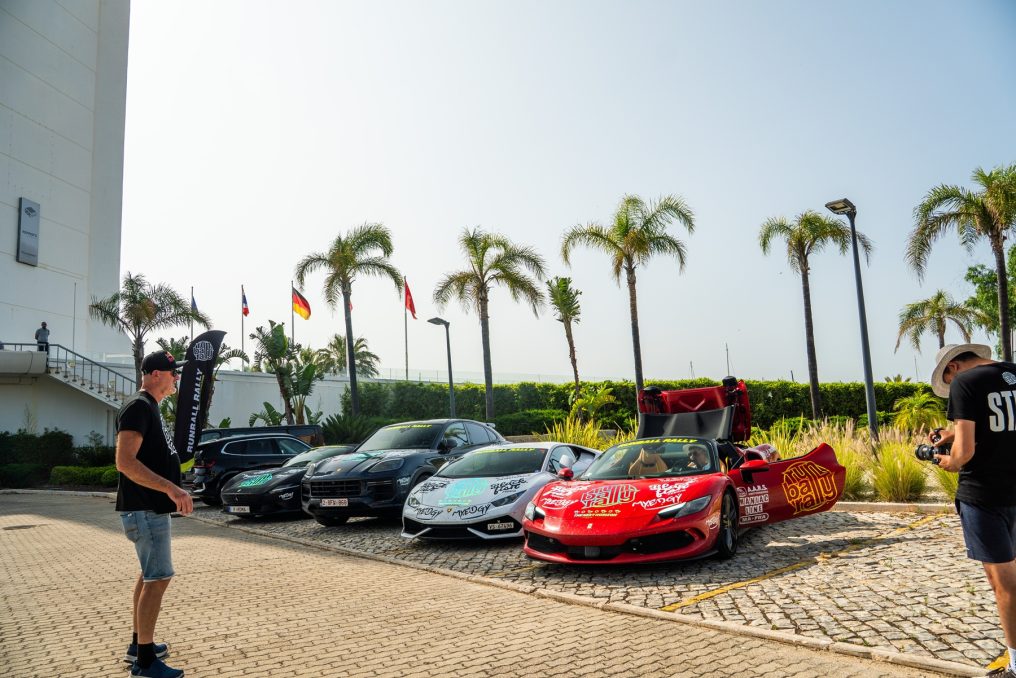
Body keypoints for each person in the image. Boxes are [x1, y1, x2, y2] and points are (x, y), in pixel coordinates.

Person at [928, 343, 1016, 678]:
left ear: (952, 368)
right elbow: (1002, 422)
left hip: (984, 495)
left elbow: (963, 453)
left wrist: (947, 461)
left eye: (948, 380)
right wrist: (951, 433)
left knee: (1003, 583)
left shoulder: (965, 383)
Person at [115, 350, 193, 678]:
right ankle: (145, 663)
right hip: (145, 509)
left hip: (149, 510)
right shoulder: (139, 406)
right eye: (173, 373)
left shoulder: (150, 407)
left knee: (149, 576)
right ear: (156, 374)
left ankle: (139, 646)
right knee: (158, 578)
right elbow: (125, 462)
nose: (177, 378)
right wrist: (171, 489)